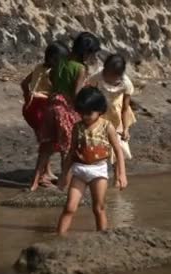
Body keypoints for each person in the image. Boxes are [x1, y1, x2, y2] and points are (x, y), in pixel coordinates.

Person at [30, 32, 101, 191]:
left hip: (51, 107)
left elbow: (53, 81)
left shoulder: (60, 61)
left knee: (45, 149)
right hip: (66, 110)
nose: (92, 57)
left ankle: (33, 184)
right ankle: (64, 185)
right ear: (86, 52)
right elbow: (76, 93)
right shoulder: (80, 68)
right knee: (67, 150)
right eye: (92, 54)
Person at [56, 87, 128, 236]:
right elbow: (71, 152)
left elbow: (118, 150)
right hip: (79, 171)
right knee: (69, 207)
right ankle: (59, 236)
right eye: (82, 113)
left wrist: (122, 174)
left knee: (98, 208)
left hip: (98, 172)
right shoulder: (77, 127)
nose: (85, 116)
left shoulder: (107, 126)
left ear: (100, 110)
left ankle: (102, 237)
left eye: (89, 113)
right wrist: (64, 175)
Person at [20, 42, 69, 184]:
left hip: (30, 108)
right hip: (43, 109)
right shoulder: (52, 73)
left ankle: (47, 172)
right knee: (49, 142)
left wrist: (28, 97)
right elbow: (56, 92)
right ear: (54, 59)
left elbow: (24, 83)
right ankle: (42, 176)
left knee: (44, 141)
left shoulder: (38, 68)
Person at [86, 54, 137, 182]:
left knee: (117, 147)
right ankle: (95, 175)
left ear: (118, 75)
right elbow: (89, 94)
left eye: (110, 76)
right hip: (100, 115)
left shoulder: (126, 84)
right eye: (105, 72)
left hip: (116, 116)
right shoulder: (97, 77)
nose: (106, 77)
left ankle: (117, 176)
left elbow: (125, 108)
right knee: (97, 143)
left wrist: (125, 129)